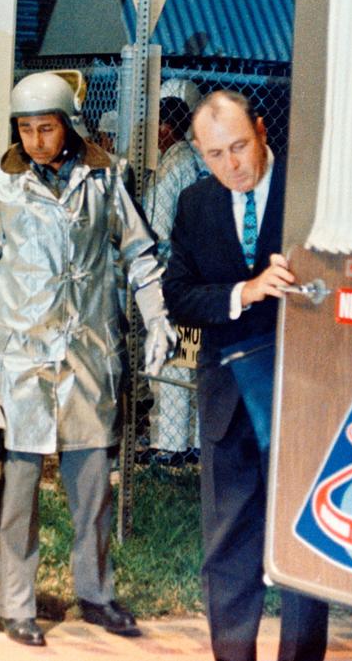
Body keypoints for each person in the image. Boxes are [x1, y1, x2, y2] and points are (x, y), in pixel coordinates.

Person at [0, 71, 176, 648]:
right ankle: (15, 601)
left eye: (47, 127)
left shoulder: (105, 177)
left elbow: (139, 251)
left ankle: (95, 594)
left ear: (68, 125)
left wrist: (158, 316)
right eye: (26, 129)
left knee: (93, 488)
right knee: (18, 490)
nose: (37, 139)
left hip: (89, 355)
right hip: (21, 358)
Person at [162, 90, 328, 661]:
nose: (231, 165)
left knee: (305, 539)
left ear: (261, 130)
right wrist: (245, 291)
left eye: (238, 147)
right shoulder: (194, 204)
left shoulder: (310, 192)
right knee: (228, 543)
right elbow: (178, 296)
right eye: (214, 154)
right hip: (229, 398)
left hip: (303, 392)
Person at [143, 78, 206, 459]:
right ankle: (194, 443)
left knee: (172, 364)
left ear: (166, 128)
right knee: (191, 360)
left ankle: (168, 445)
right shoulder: (199, 159)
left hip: (173, 274)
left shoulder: (173, 164)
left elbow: (157, 225)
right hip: (200, 273)